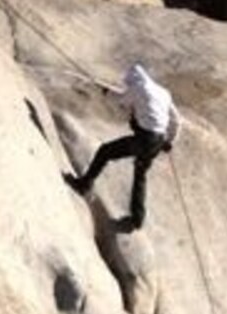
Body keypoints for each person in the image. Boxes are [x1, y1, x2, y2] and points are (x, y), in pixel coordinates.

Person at [64, 64, 181, 231]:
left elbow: (120, 101)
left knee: (105, 152)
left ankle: (84, 185)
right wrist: (170, 141)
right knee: (140, 176)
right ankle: (136, 220)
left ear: (134, 79)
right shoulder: (163, 92)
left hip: (144, 139)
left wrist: (105, 92)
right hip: (158, 141)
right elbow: (176, 120)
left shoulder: (138, 88)